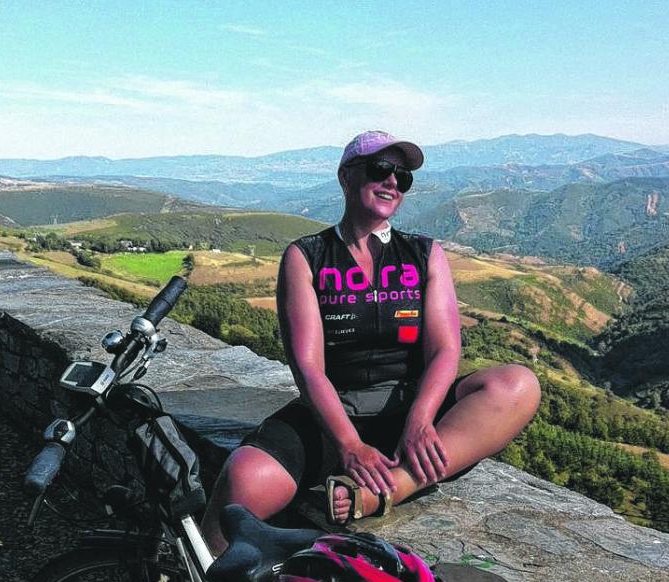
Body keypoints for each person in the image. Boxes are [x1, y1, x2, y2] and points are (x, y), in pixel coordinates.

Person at [202, 131, 540, 552]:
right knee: (244, 477)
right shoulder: (306, 256)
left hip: (413, 408)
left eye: (403, 177)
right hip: (334, 414)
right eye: (381, 169)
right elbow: (307, 366)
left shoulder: (424, 253)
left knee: (518, 384)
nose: (393, 182)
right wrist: (349, 444)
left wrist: (420, 419)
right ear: (346, 177)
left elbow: (445, 350)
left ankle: (392, 488)